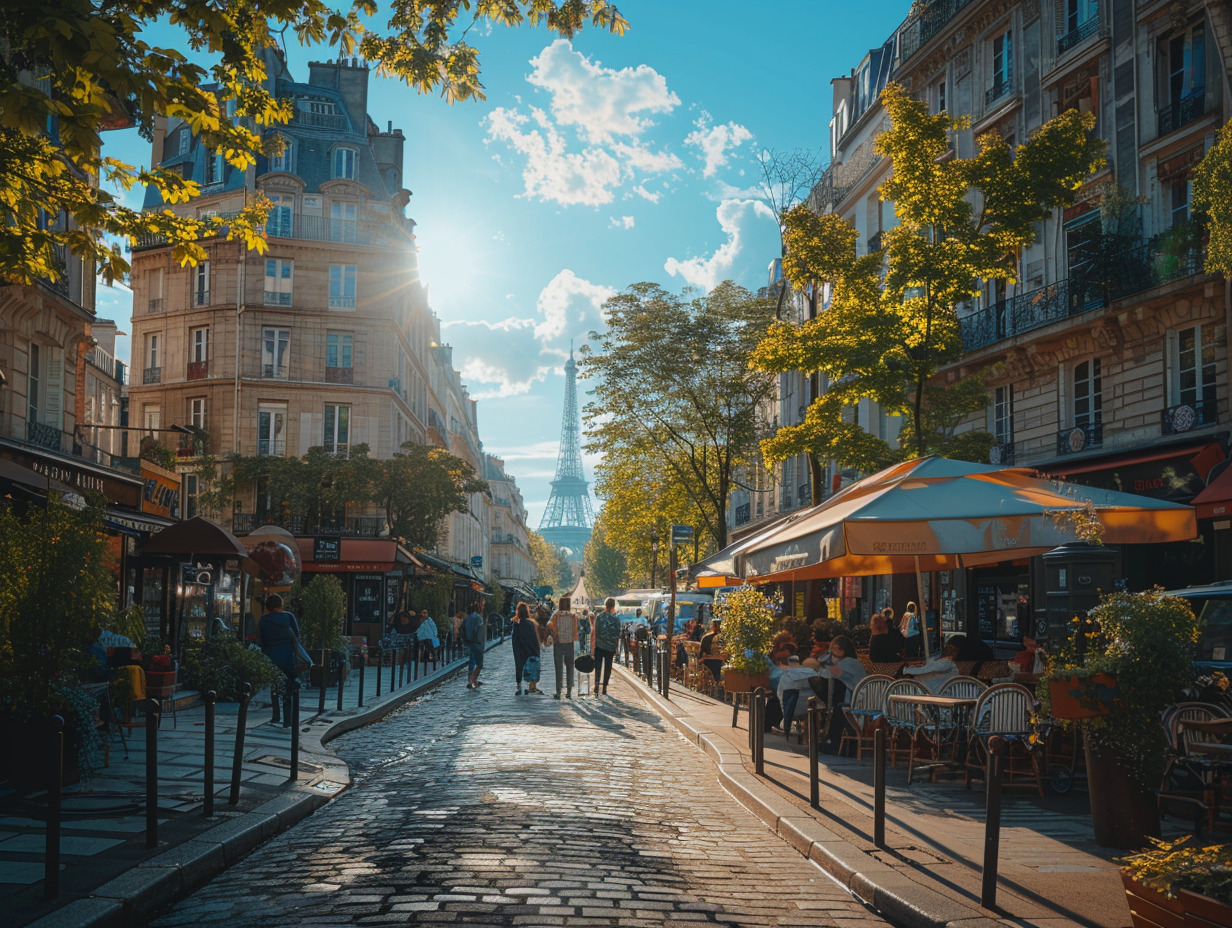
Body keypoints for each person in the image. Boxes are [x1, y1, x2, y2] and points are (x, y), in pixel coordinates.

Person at [257, 594, 301, 726]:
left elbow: (260, 641)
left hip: (272, 656)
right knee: (288, 687)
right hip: (288, 656)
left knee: (275, 686)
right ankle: (288, 720)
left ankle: (276, 715)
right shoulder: (289, 617)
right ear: (280, 604)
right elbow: (297, 636)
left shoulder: (263, 620)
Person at [818, 634, 867, 752]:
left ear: (846, 649)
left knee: (837, 713)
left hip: (853, 699)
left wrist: (828, 663)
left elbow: (832, 673)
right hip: (845, 697)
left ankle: (837, 746)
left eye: (838, 649)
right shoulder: (843, 662)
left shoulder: (849, 662)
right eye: (833, 649)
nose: (835, 651)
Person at [547, 595, 579, 699]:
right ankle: (569, 691)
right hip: (569, 643)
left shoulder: (556, 615)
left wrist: (555, 634)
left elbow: (550, 625)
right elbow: (576, 630)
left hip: (559, 643)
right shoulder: (573, 616)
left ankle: (558, 691)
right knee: (570, 667)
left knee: (558, 668)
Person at [511, 602, 543, 695]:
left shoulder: (516, 624)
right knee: (530, 666)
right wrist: (536, 651)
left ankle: (519, 686)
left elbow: (514, 639)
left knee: (519, 666)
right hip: (530, 649)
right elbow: (534, 639)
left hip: (519, 649)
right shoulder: (530, 624)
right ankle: (531, 685)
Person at [592, 597, 621, 696]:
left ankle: (596, 685)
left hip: (599, 646)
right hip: (610, 647)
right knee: (608, 667)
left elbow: (596, 632)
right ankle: (604, 687)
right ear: (613, 607)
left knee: (598, 666)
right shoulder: (616, 619)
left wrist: (594, 646)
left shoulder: (600, 617)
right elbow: (618, 633)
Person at [463, 603, 486, 689]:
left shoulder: (467, 618)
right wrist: (481, 644)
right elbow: (479, 631)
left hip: (470, 642)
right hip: (477, 643)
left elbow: (462, 629)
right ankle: (472, 681)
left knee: (472, 661)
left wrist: (466, 641)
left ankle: (472, 680)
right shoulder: (478, 618)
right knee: (479, 664)